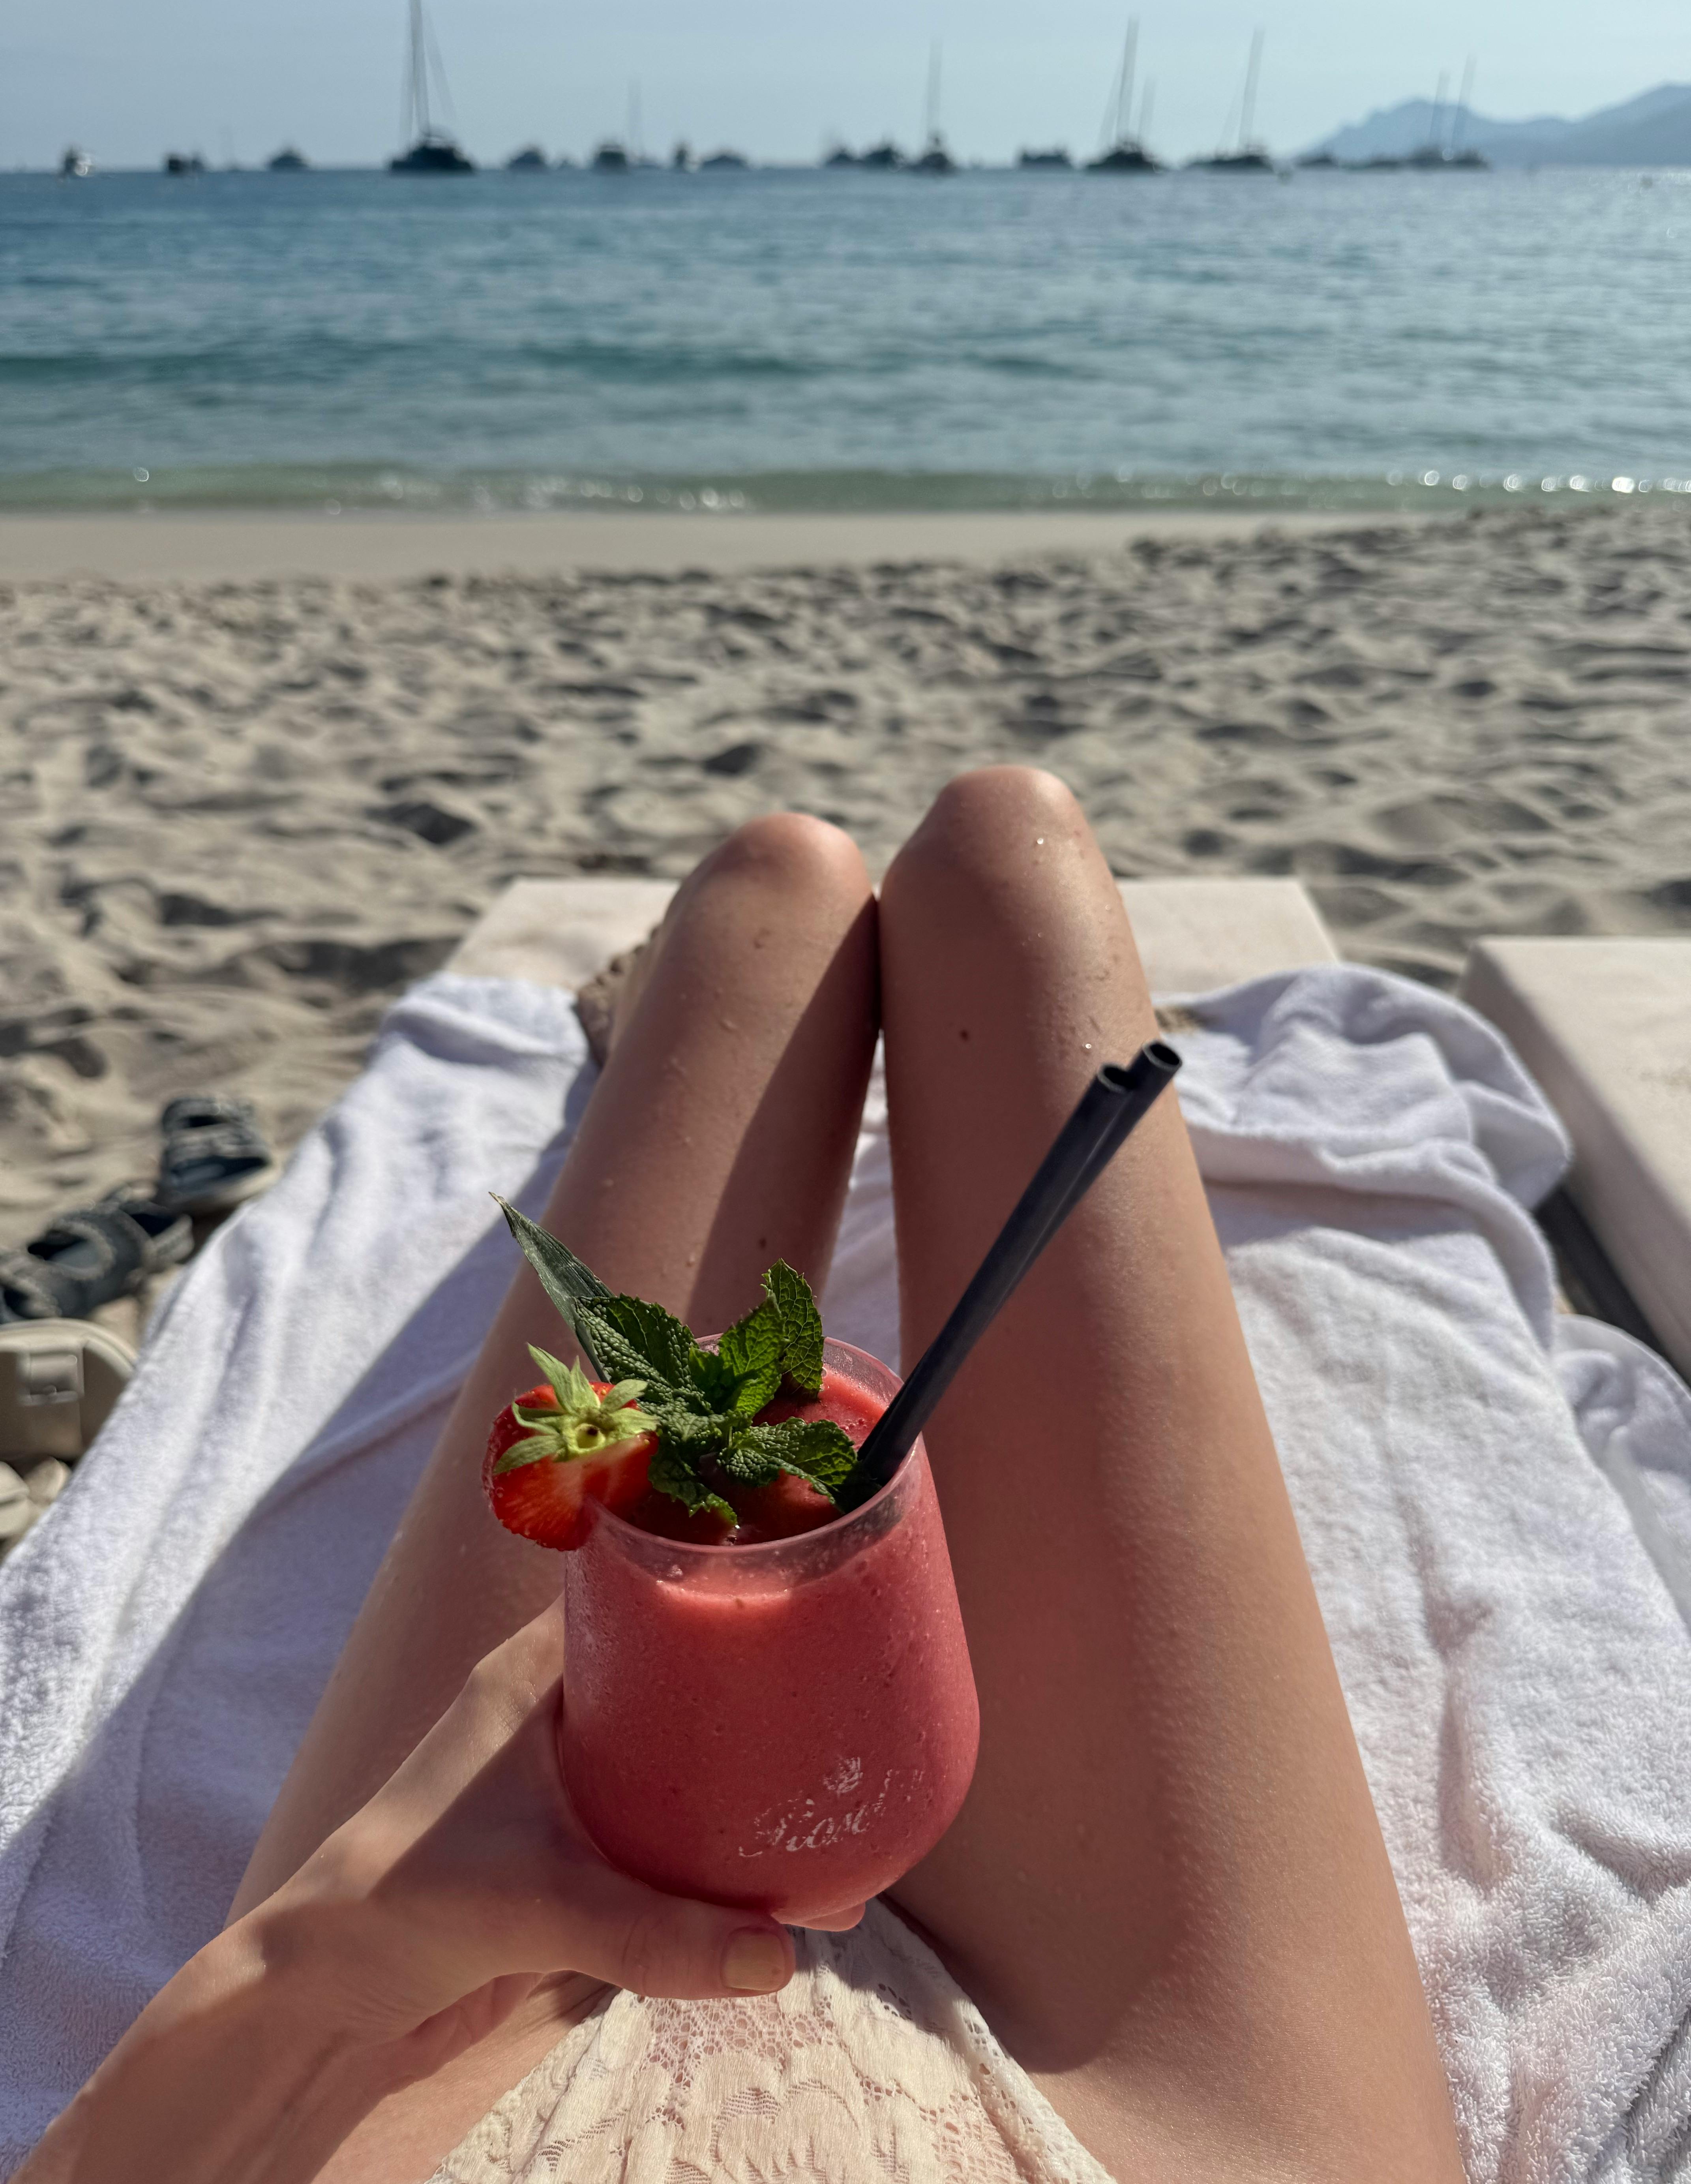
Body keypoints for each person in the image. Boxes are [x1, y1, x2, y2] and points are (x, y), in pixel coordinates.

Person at [21, 770, 1466, 2184]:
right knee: (1008, 864)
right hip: (1160, 2139)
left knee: (779, 891)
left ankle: (685, 1011)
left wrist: (306, 1963)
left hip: (433, 2086)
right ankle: (772, 1003)